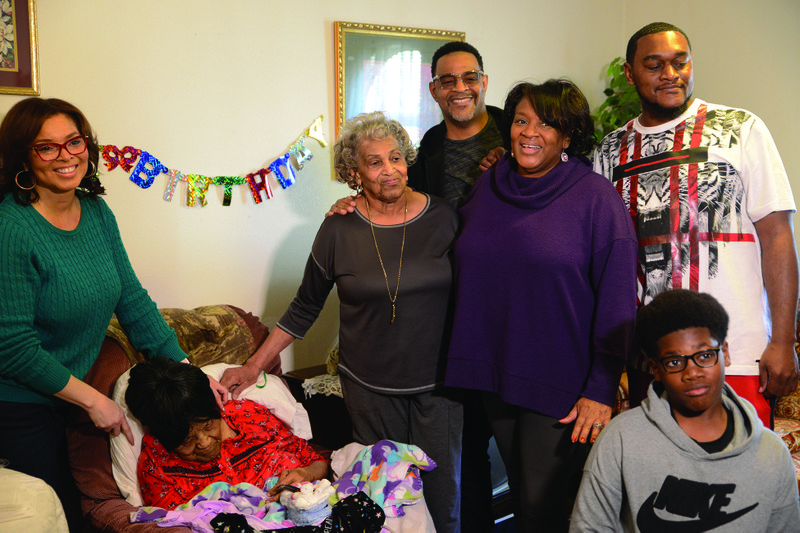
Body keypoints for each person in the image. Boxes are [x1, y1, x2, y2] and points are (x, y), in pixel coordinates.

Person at [220, 112, 463, 533]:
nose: (390, 170)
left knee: (442, 502)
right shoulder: (338, 230)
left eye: (396, 158)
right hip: (369, 390)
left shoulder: (444, 217)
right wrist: (253, 366)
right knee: (380, 505)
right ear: (355, 173)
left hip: (439, 388)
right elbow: (303, 307)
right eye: (375, 162)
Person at [0, 98, 225, 502]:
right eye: (47, 147)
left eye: (74, 141)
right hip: (19, 403)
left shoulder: (97, 213)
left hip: (70, 393)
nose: (66, 156)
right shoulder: (11, 229)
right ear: (23, 158)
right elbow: (13, 349)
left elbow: (133, 301)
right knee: (49, 513)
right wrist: (93, 401)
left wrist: (191, 373)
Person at [445, 79, 638, 531]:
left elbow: (617, 301)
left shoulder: (595, 199)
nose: (530, 133)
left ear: (567, 137)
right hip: (493, 372)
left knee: (540, 509)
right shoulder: (489, 184)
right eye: (521, 121)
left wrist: (601, 388)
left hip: (560, 383)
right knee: (517, 496)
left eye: (547, 125)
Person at [327, 40, 501, 533]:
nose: (460, 88)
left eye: (469, 77)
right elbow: (400, 205)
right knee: (418, 481)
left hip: (491, 331)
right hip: (417, 355)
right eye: (447, 80)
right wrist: (352, 206)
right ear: (434, 90)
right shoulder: (431, 148)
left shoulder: (517, 131)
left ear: (484, 81)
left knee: (473, 469)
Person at [593, 22, 799, 425]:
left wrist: (783, 340)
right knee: (660, 480)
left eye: (680, 62)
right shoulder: (610, 150)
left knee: (739, 477)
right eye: (654, 65)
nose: (670, 74)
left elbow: (777, 236)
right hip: (651, 357)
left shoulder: (741, 129)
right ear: (631, 74)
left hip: (736, 351)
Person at [570, 289, 800, 532]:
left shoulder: (772, 454)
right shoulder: (620, 439)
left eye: (704, 355)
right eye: (674, 362)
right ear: (655, 370)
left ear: (726, 353)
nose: (692, 372)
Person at [125, 357, 327, 509]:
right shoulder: (157, 463)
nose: (204, 443)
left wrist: (307, 472)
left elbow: (317, 461)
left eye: (208, 426)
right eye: (187, 440)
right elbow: (171, 523)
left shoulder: (251, 417)